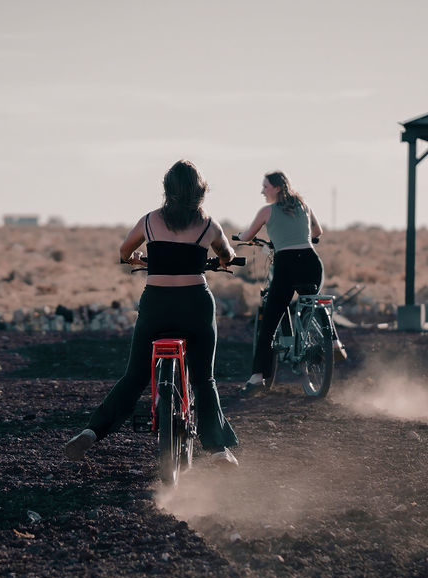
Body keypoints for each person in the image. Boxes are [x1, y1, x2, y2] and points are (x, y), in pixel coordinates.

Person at [64, 160, 240, 468]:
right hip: (195, 304)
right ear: (200, 192)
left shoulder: (149, 221)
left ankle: (92, 432)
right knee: (203, 379)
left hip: (157, 304)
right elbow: (227, 255)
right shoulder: (208, 225)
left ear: (166, 189)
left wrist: (134, 258)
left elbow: (123, 252)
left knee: (134, 376)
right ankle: (219, 450)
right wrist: (222, 261)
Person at [237, 170, 325, 396]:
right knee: (311, 304)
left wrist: (241, 236)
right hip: (311, 263)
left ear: (276, 187)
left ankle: (257, 377)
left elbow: (248, 236)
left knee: (269, 323)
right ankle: (331, 342)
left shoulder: (267, 211)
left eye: (265, 186)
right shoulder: (304, 206)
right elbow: (317, 231)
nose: (262, 191)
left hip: (287, 266)